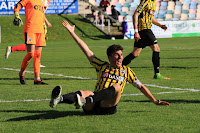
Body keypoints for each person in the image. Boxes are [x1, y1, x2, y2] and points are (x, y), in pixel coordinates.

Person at [49, 20, 170, 115]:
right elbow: (86, 49)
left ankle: (86, 100)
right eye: (116, 55)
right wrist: (72, 32)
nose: (120, 58)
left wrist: (154, 101)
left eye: (121, 55)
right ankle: (58, 100)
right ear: (109, 57)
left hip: (108, 106)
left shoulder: (127, 71)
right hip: (93, 105)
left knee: (117, 87)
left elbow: (141, 86)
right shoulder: (102, 66)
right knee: (83, 92)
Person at [122, 0, 170, 79]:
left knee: (135, 53)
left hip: (145, 30)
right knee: (156, 48)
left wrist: (160, 25)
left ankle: (115, 69)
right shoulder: (145, 1)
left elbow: (150, 18)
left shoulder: (153, 3)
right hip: (144, 30)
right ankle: (157, 74)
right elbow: (135, 15)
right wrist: (136, 31)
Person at [5, 0, 52, 68]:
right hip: (33, 26)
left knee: (35, 48)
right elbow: (39, 13)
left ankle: (12, 49)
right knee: (32, 49)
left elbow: (41, 13)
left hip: (39, 26)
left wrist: (45, 26)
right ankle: (12, 49)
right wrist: (46, 24)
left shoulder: (46, 1)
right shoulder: (43, 1)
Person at [13, 0, 49, 85]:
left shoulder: (41, 2)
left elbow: (42, 15)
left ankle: (37, 79)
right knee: (31, 54)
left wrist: (45, 28)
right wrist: (17, 15)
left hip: (40, 31)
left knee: (38, 55)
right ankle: (21, 73)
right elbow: (17, 6)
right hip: (30, 29)